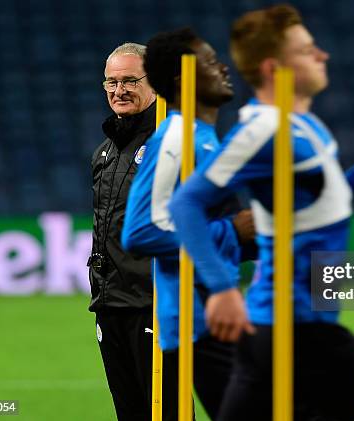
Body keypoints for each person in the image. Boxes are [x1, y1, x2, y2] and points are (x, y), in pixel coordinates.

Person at [169, 5, 354, 421]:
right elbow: (185, 203)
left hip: (290, 326)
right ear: (275, 68)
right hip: (294, 325)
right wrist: (220, 288)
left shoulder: (304, 125)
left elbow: (315, 202)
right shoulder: (260, 132)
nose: (322, 56)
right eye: (308, 50)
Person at [121, 28, 255, 421]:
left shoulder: (206, 138)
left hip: (222, 308)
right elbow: (140, 231)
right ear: (184, 79)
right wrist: (232, 231)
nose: (224, 68)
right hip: (199, 316)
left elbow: (213, 227)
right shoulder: (178, 137)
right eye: (211, 62)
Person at [88, 42, 157, 421]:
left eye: (130, 80)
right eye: (111, 82)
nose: (119, 90)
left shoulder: (173, 146)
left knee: (167, 412)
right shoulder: (104, 153)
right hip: (109, 305)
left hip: (154, 306)